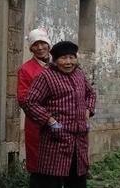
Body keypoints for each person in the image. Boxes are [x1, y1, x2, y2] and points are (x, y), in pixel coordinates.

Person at [23, 41, 96, 188]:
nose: (68, 62)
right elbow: (30, 102)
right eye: (63, 58)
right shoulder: (46, 77)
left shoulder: (79, 75)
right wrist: (50, 121)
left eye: (71, 57)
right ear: (55, 60)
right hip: (55, 141)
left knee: (77, 182)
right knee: (48, 181)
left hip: (78, 142)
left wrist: (88, 110)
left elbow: (91, 94)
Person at [17, 28, 52, 183]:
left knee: (58, 166)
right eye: (35, 45)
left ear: (48, 44)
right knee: (39, 168)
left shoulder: (59, 64)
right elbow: (23, 99)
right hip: (38, 124)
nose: (39, 48)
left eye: (42, 43)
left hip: (62, 121)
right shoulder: (26, 69)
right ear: (30, 48)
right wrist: (47, 118)